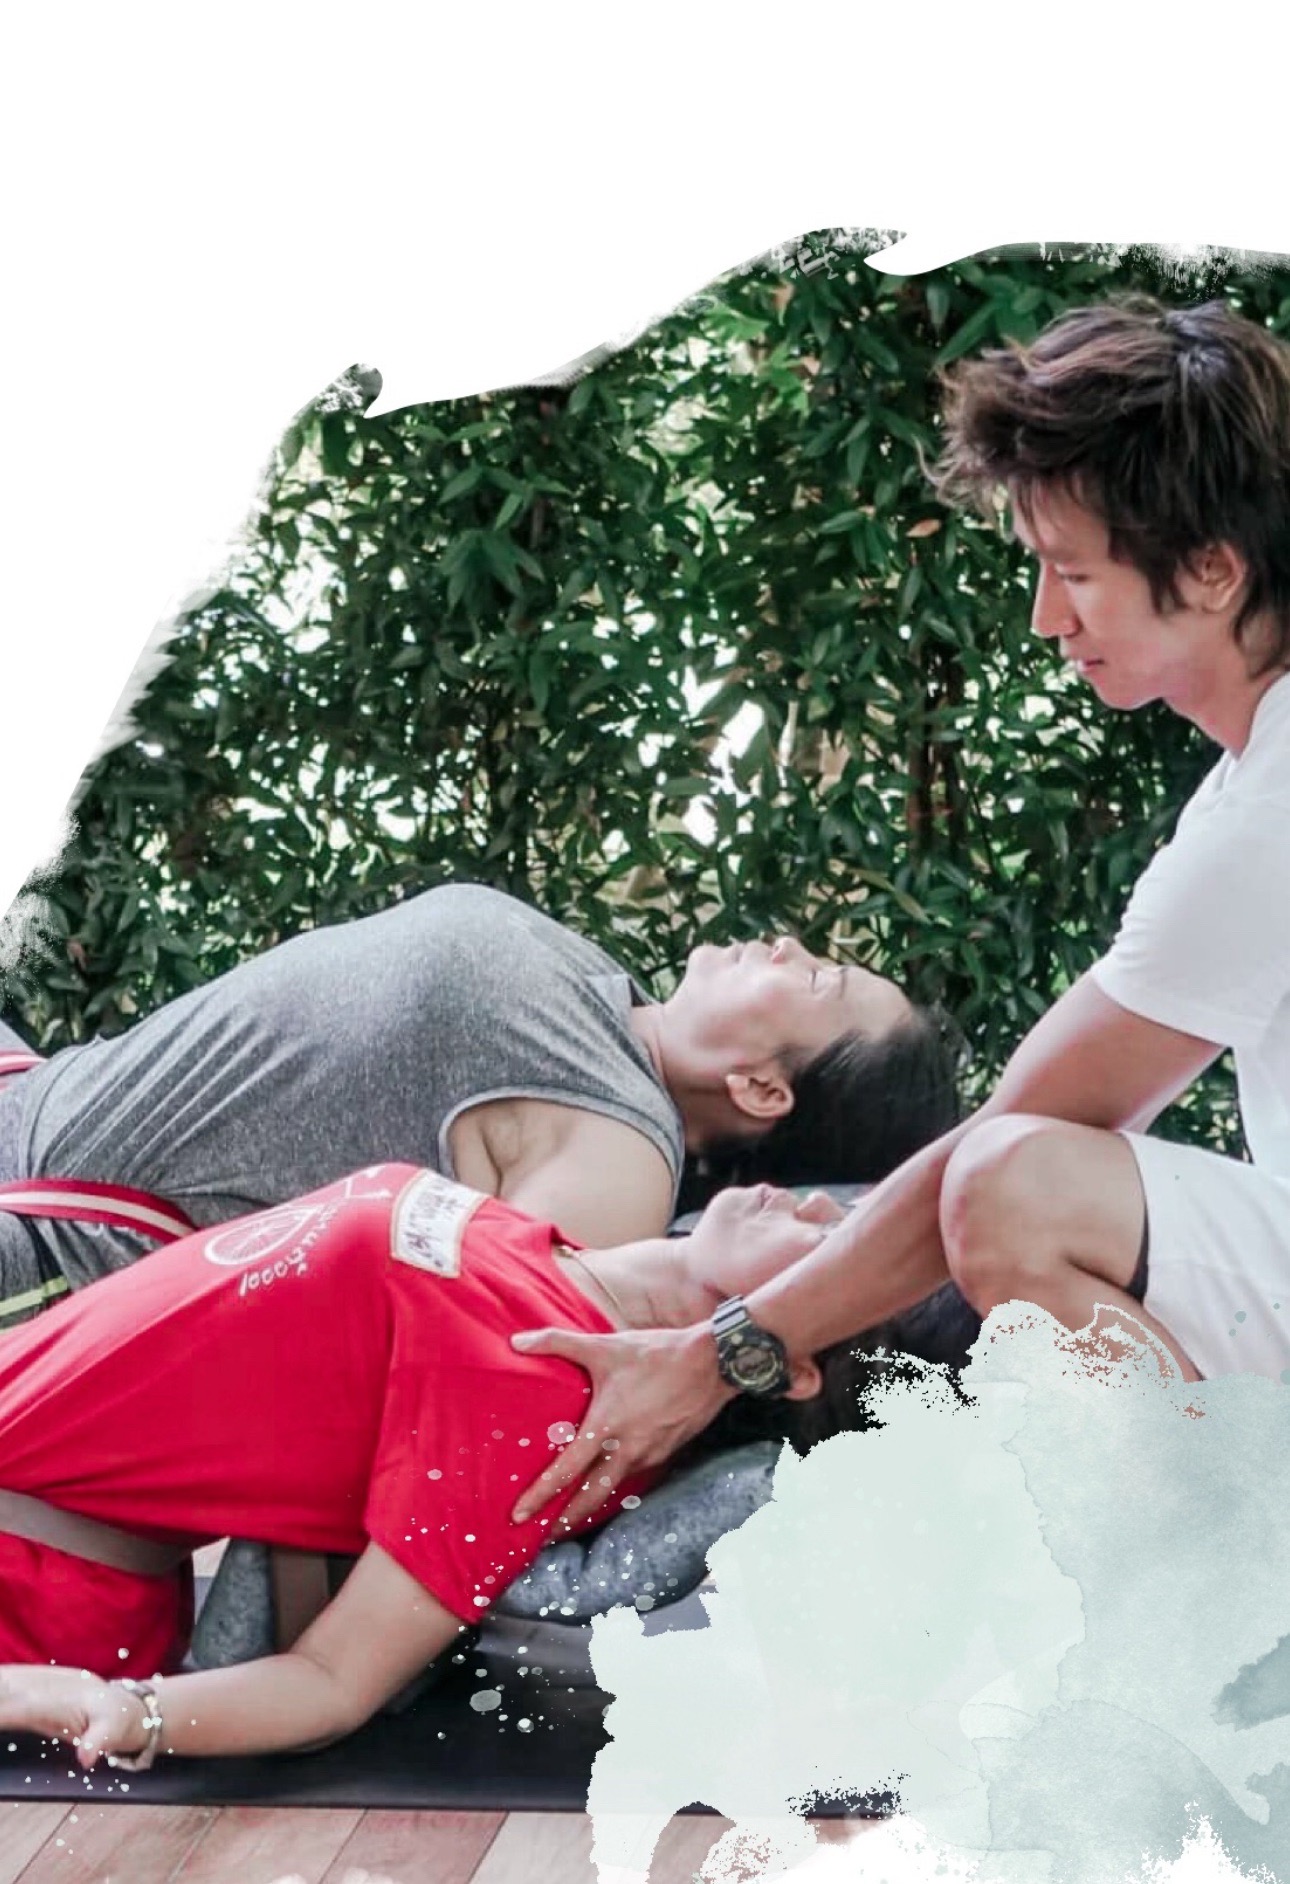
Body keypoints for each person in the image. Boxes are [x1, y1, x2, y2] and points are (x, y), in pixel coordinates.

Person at [507, 294, 1290, 1530]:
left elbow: (1011, 1145)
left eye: (1074, 574)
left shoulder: (1269, 817)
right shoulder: (1257, 782)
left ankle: (1239, 1587)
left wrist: (717, 1355)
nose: (1046, 618)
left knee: (1018, 1186)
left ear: (1212, 568)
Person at [0, 1167, 835, 1768]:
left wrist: (124, 1712)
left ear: (793, 1368)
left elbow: (335, 1683)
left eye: (835, 1245)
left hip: (26, 1571)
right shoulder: (554, 1258)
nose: (821, 1203)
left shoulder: (548, 1418)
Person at [0, 884, 958, 1325]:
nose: (788, 945)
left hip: (45, 1254)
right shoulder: (602, 991)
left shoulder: (620, 1158)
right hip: (31, 1084)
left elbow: (457, 1363)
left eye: (819, 980)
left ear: (761, 1087)